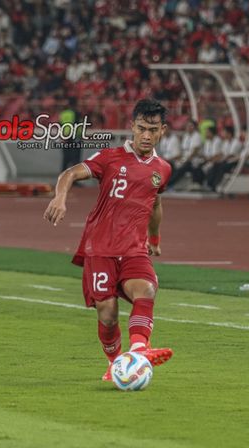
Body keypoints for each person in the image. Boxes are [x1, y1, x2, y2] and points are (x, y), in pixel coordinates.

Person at [43, 98, 174, 382]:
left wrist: (154, 237)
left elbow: (155, 204)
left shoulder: (162, 168)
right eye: (142, 128)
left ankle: (139, 351)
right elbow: (71, 173)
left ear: (163, 130)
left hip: (134, 249)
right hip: (100, 247)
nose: (147, 135)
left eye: (153, 129)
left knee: (146, 289)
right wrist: (60, 196)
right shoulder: (110, 157)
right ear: (132, 127)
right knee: (108, 313)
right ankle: (115, 363)